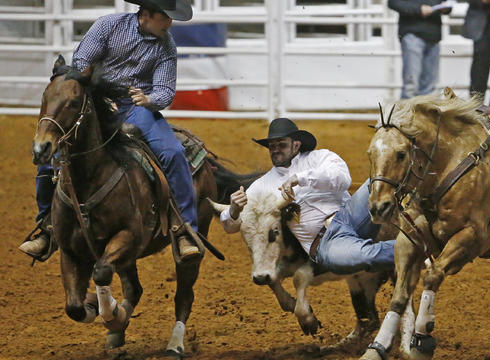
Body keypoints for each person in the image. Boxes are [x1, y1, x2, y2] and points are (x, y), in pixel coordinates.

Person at [19, 0, 200, 262]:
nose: (170, 23)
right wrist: (100, 91)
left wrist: (149, 100)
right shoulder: (109, 26)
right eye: (166, 17)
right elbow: (81, 62)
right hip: (95, 102)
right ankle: (47, 227)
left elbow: (165, 90)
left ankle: (185, 229)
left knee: (172, 152)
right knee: (51, 159)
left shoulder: (166, 45)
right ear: (147, 15)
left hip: (136, 107)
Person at [219, 118, 395, 274]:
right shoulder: (262, 186)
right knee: (366, 255)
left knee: (381, 180)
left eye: (281, 144)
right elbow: (231, 226)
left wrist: (300, 178)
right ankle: (413, 249)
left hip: (351, 214)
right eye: (272, 146)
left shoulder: (320, 157)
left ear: (296, 145)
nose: (275, 150)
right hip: (326, 241)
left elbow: (343, 179)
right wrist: (233, 210)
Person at [389, 0, 452, 99]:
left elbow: (448, 4)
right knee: (411, 85)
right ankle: (407, 113)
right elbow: (393, 2)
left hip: (433, 36)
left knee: (430, 86)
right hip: (412, 34)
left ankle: (427, 113)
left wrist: (446, 7)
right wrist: (418, 9)